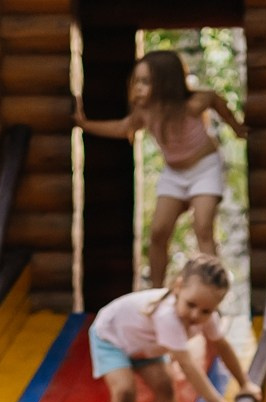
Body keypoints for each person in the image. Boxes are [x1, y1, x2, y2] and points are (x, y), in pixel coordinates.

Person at [86, 254, 259, 402]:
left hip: (147, 345)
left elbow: (222, 346)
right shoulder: (167, 316)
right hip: (112, 338)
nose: (196, 315)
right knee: (125, 392)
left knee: (165, 387)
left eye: (206, 310)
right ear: (178, 287)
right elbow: (188, 365)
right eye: (191, 305)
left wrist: (245, 383)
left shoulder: (205, 317)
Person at [74, 50, 246, 286]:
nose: (139, 89)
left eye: (146, 82)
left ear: (166, 84)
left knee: (203, 227)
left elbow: (214, 98)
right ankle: (155, 291)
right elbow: (121, 128)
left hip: (204, 169)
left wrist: (236, 127)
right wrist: (85, 125)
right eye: (136, 82)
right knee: (158, 232)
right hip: (174, 175)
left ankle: (211, 290)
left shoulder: (191, 105)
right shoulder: (145, 113)